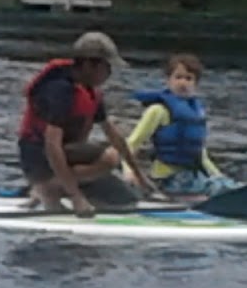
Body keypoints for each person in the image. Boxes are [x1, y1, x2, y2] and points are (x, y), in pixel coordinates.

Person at [16, 31, 163, 216]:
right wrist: (76, 196)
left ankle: (54, 188)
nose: (109, 74)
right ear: (88, 64)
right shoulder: (59, 90)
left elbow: (114, 136)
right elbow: (52, 146)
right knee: (110, 157)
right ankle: (47, 188)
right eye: (106, 67)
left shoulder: (89, 90)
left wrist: (140, 176)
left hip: (66, 156)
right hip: (38, 157)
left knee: (125, 200)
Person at [123, 53, 240, 197]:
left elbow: (201, 156)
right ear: (169, 80)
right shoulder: (159, 111)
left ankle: (233, 193)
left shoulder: (197, 113)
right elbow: (131, 143)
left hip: (191, 177)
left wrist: (219, 176)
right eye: (178, 77)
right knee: (219, 189)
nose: (182, 83)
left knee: (225, 185)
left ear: (195, 84)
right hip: (167, 180)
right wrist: (129, 171)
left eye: (188, 78)